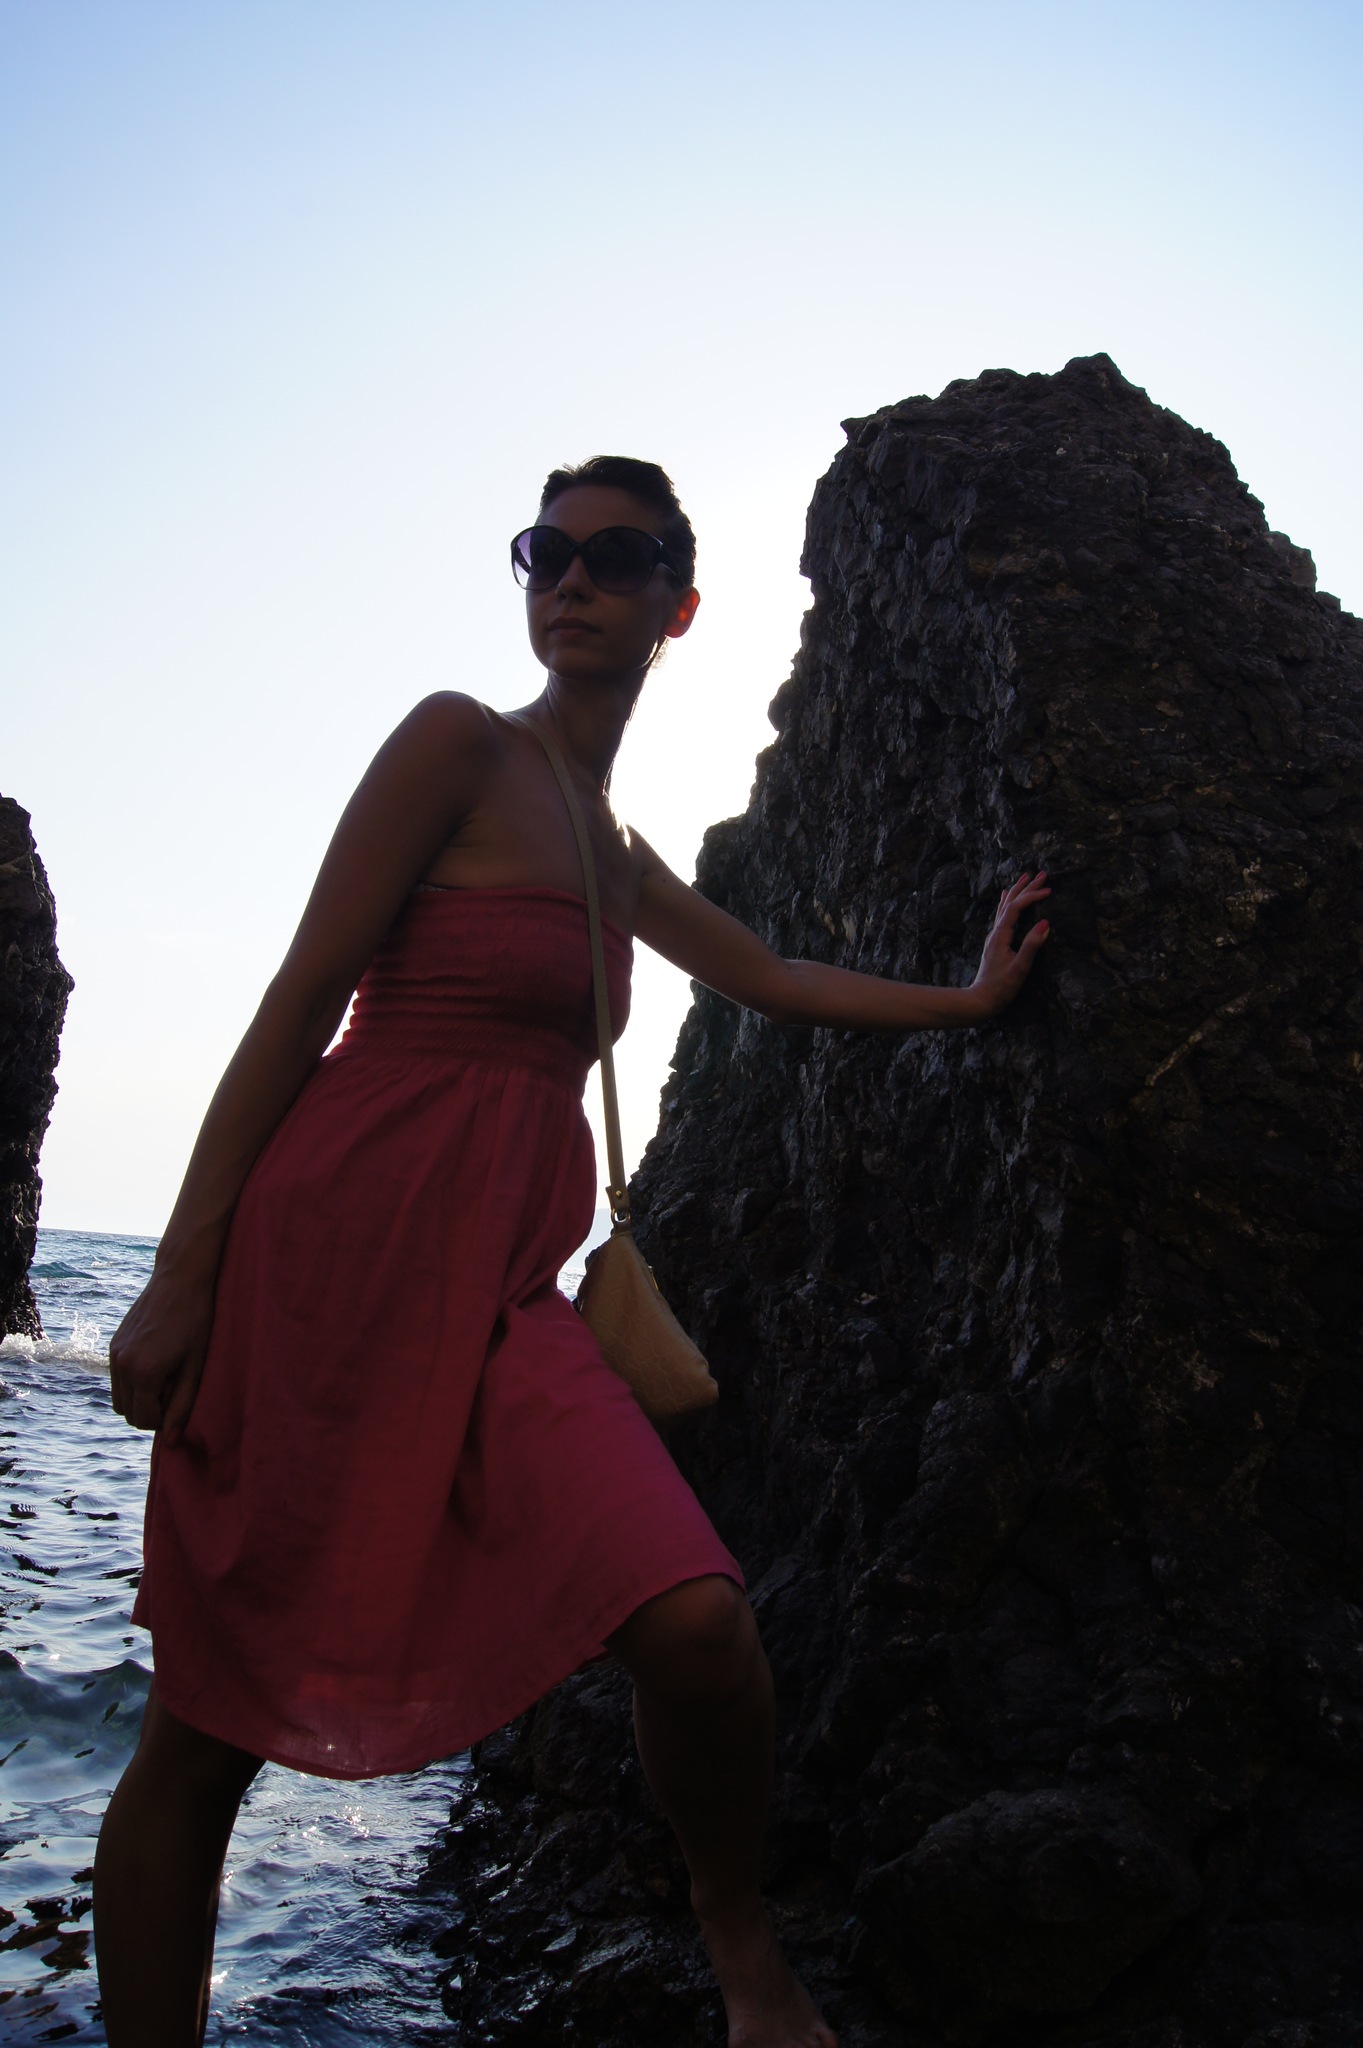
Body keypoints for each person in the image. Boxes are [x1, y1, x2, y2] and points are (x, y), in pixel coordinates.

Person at [94, 455, 1051, 2048]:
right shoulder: (456, 745)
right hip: (327, 1264)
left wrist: (971, 999)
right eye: (548, 551)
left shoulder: (615, 843)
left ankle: (744, 1957)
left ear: (681, 604)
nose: (575, 580)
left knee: (698, 1621)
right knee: (209, 1727)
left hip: (500, 1294)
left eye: (617, 556)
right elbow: (301, 997)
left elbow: (769, 974)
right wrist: (184, 1269)